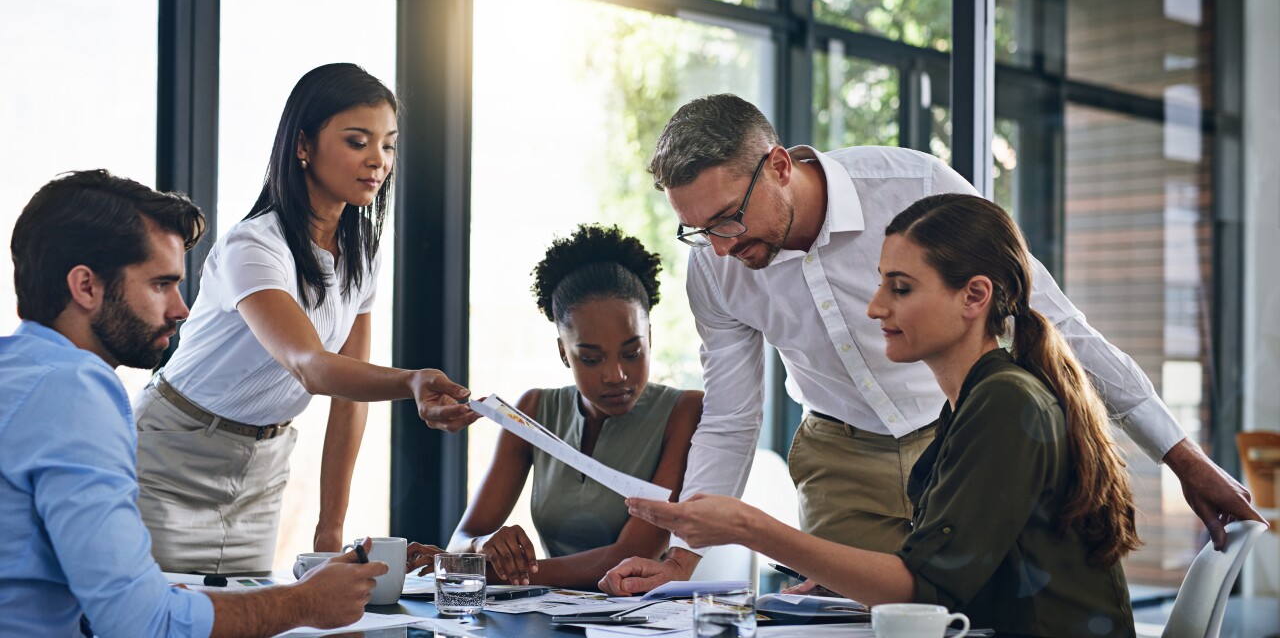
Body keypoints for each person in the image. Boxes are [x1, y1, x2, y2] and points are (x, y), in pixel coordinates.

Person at [600, 93, 1262, 595]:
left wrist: (1183, 460)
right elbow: (733, 413)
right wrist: (680, 562)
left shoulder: (914, 191)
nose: (719, 245)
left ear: (778, 166)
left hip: (956, 442)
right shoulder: (715, 268)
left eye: (727, 218)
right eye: (697, 230)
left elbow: (1057, 325)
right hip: (839, 460)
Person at [627, 194, 1141, 636]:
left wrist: (748, 526)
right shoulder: (976, 400)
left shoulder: (1004, 402)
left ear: (974, 296)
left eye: (901, 288)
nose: (875, 308)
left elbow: (925, 590)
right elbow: (947, 570)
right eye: (881, 284)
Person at [0, 170, 390, 637]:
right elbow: (141, 623)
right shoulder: (77, 392)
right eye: (160, 284)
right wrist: (304, 602)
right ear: (86, 287)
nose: (181, 309)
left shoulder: (17, 373)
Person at [135, 63, 477, 574]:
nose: (378, 161)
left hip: (264, 464)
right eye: (357, 141)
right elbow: (310, 366)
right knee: (159, 622)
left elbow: (348, 396)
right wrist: (411, 381)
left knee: (247, 622)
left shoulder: (361, 252)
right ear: (303, 145)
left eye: (388, 145)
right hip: (172, 453)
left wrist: (330, 526)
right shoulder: (253, 246)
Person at [447, 225, 702, 589]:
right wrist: (482, 545)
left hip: (653, 620)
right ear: (564, 353)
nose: (616, 375)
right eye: (591, 358)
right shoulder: (533, 410)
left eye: (632, 353)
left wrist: (486, 571)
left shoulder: (685, 411)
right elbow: (460, 541)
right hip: (555, 616)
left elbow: (630, 557)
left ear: (651, 339)